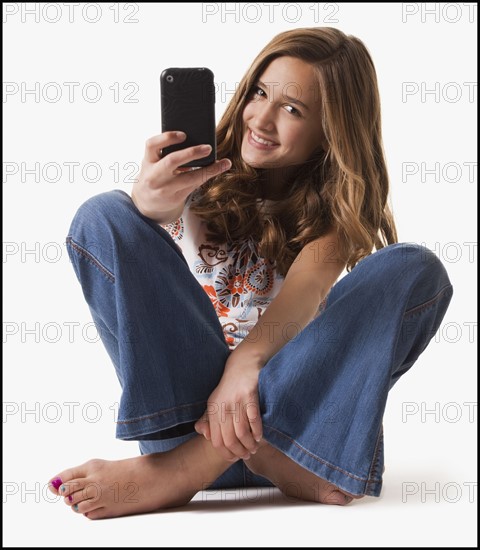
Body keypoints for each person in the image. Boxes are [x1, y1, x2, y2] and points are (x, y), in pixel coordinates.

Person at [48, 27, 453, 519]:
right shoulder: (198, 178)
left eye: (292, 109)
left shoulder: (333, 223)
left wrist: (246, 364)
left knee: (415, 268)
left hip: (289, 433)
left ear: (332, 133)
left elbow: (304, 295)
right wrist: (149, 205)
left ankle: (184, 472)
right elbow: (136, 265)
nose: (261, 118)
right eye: (260, 93)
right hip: (193, 418)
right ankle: (202, 457)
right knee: (102, 213)